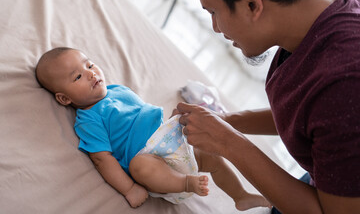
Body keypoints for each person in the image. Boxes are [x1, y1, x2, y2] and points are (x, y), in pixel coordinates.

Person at [177, 0, 360, 213]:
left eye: (213, 12)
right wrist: (225, 123)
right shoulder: (329, 12)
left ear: (251, 4)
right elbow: (311, 113)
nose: (216, 28)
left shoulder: (345, 84)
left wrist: (228, 142)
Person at [35, 47, 270, 210]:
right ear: (65, 99)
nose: (91, 73)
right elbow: (102, 159)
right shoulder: (88, 120)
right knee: (140, 167)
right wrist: (129, 189)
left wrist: (173, 121)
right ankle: (185, 183)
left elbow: (146, 119)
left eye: (90, 64)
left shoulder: (117, 90)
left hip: (171, 143)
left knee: (212, 155)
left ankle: (240, 196)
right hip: (149, 160)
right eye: (77, 77)